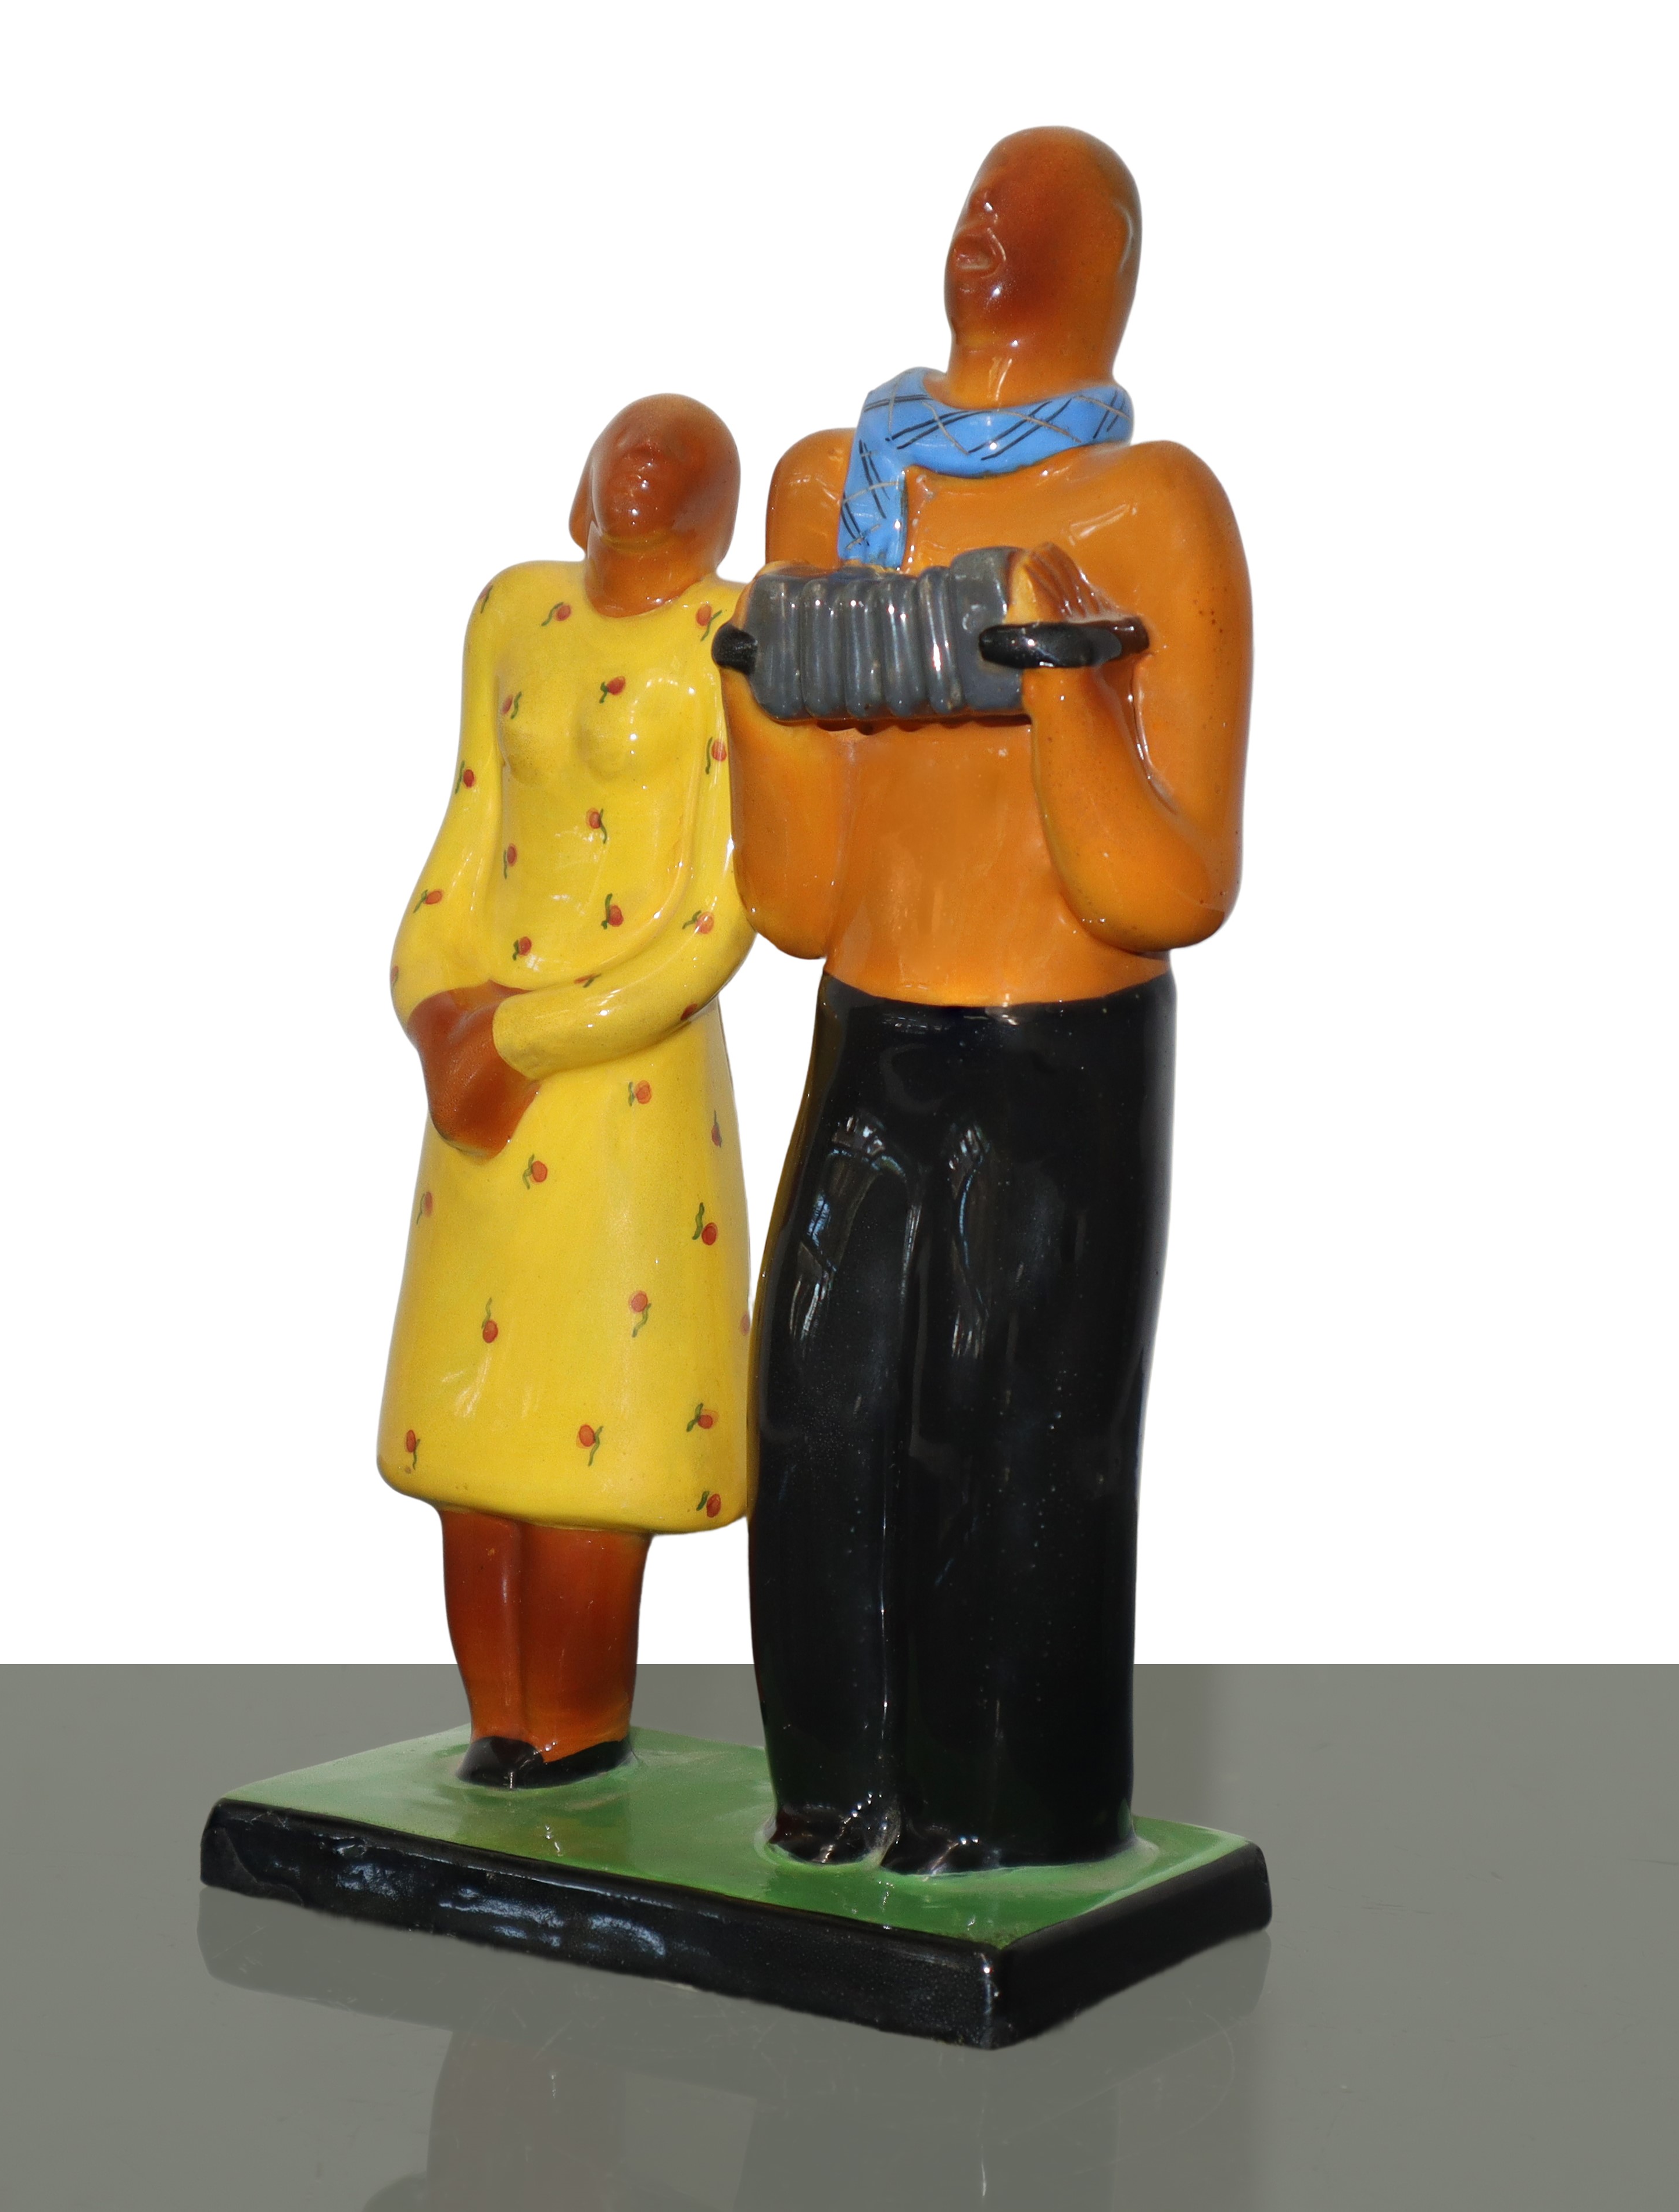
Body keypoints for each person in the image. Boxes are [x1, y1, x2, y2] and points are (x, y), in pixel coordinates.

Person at [721, 130, 1254, 1869]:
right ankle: (832, 1787)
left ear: (1116, 267)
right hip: (874, 1016)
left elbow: (1171, 886)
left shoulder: (1150, 510)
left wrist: (1068, 688)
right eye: (977, 201)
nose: (991, 231)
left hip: (1057, 1041)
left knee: (1011, 1429)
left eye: (1040, 212)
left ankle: (1003, 1811)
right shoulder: (832, 491)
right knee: (817, 1405)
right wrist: (756, 692)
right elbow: (798, 901)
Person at [381, 395, 754, 1787]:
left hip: (619, 1096)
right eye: (625, 451)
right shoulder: (514, 615)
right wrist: (432, 1003)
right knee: (473, 1434)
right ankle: (497, 1714)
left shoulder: (731, 638)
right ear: (579, 489)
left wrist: (526, 1038)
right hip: (476, 1078)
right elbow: (467, 825)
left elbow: (721, 912)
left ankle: (576, 1723)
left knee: (597, 1439)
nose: (643, 471)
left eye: (677, 461)